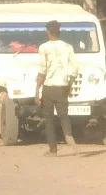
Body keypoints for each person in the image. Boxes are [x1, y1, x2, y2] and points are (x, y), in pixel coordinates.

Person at [35, 20, 79, 156]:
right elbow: (74, 68)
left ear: (48, 32)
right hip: (62, 86)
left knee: (48, 119)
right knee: (63, 115)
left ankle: (53, 150)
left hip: (49, 87)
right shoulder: (68, 47)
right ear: (59, 32)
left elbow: (42, 71)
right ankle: (68, 135)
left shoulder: (43, 48)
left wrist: (37, 91)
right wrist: (70, 85)